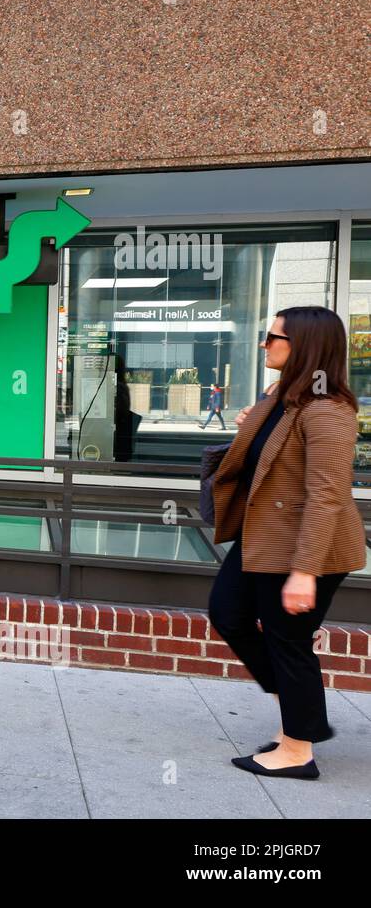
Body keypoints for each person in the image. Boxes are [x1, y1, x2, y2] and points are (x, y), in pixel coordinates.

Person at [208, 306, 366, 780]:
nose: (264, 344)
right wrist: (250, 424)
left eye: (272, 337)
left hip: (303, 546)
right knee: (228, 612)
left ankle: (297, 751)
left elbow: (328, 496)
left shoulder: (327, 410)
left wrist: (305, 572)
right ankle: (302, 718)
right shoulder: (285, 397)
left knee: (288, 641)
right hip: (263, 537)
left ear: (305, 346)